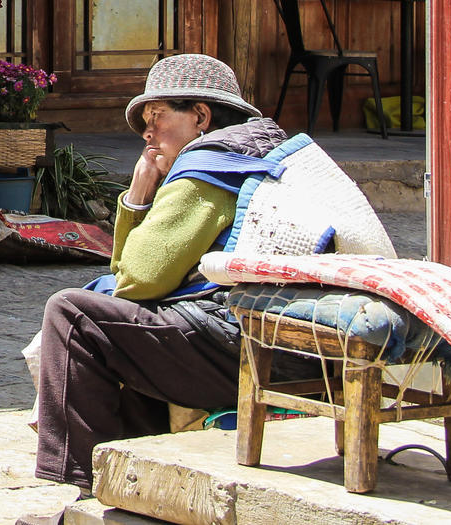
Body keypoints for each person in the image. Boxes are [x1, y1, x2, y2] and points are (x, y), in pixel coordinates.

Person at [31, 52, 292, 491]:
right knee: (128, 328)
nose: (147, 134)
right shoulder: (251, 156)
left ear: (201, 117)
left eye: (157, 117)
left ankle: (80, 487)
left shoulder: (207, 171)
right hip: (269, 338)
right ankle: (135, 486)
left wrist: (137, 194)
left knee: (74, 315)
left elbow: (136, 278)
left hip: (242, 344)